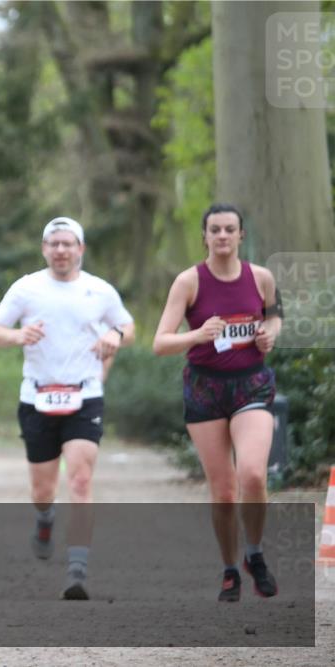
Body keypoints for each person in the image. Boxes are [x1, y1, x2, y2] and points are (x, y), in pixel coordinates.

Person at [0, 217, 134, 600]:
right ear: (44, 248)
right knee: (42, 490)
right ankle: (45, 518)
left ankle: (77, 569)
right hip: (37, 397)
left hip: (84, 395)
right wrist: (18, 335)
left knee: (81, 481)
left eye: (68, 243)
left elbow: (127, 326)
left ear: (80, 249)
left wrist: (114, 335)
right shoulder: (26, 288)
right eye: (54, 243)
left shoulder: (99, 291)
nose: (61, 250)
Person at [153, 203, 281, 602]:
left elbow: (274, 316)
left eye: (230, 229)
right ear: (204, 236)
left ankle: (255, 554)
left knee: (254, 477)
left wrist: (269, 334)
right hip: (205, 389)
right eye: (215, 230)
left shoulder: (261, 278)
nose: (223, 236)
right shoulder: (188, 282)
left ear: (241, 235)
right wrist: (196, 336)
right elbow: (160, 342)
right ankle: (230, 568)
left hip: (251, 385)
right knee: (223, 492)